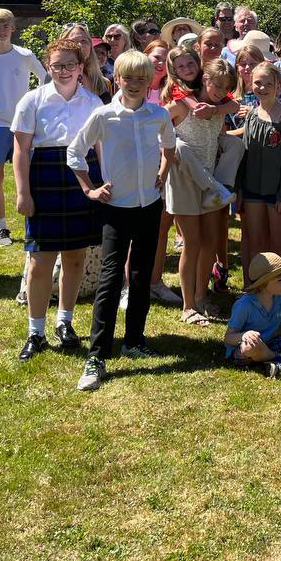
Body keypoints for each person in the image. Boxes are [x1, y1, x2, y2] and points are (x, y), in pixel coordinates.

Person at [67, 50, 176, 392]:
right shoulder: (103, 116)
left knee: (142, 276)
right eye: (128, 78)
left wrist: (162, 173)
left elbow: (169, 147)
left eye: (142, 79)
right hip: (116, 209)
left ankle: (134, 339)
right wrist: (90, 189)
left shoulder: (158, 115)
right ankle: (97, 354)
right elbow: (74, 152)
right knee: (111, 279)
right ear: (118, 79)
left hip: (149, 206)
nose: (135, 84)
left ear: (150, 82)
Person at [10, 38, 102, 359]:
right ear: (47, 68)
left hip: (81, 177)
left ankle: (65, 322)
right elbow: (20, 149)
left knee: (75, 256)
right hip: (45, 178)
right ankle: (35, 332)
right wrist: (23, 192)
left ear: (80, 68)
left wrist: (101, 185)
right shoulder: (32, 101)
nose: (63, 70)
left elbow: (101, 149)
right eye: (56, 65)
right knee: (40, 261)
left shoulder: (93, 103)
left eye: (69, 65)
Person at [163, 50, 237, 325]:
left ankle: (202, 297)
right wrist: (166, 148)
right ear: (205, 79)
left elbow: (233, 108)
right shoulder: (182, 105)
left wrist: (219, 108)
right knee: (192, 243)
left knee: (208, 243)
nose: (219, 91)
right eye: (215, 85)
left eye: (225, 88)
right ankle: (188, 306)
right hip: (183, 179)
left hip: (209, 176)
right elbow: (158, 120)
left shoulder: (219, 106)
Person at [0, 7, 47, 247]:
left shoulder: (24, 54)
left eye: (5, 26)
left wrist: (36, 105)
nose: (1, 31)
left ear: (13, 28)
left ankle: (33, 225)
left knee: (29, 175)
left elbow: (46, 79)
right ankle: (1, 227)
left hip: (24, 125)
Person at [239, 62, 281, 271]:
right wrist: (240, 189)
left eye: (268, 83)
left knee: (277, 244)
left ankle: (279, 291)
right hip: (252, 190)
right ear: (250, 84)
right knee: (256, 242)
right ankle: (256, 288)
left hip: (277, 194)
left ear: (278, 86)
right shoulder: (252, 115)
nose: (262, 88)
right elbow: (245, 154)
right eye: (258, 83)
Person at [224, 252, 281, 378]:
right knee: (249, 348)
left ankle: (278, 361)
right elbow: (228, 338)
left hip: (270, 341)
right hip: (249, 347)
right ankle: (280, 357)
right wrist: (244, 335)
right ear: (262, 285)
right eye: (280, 280)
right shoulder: (244, 305)